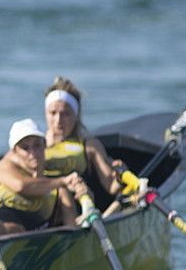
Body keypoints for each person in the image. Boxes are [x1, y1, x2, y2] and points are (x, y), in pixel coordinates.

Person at [42, 77, 126, 212]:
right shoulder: (34, 145)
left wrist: (119, 177)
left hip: (82, 211)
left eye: (65, 114)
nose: (58, 120)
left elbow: (111, 186)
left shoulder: (90, 146)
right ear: (46, 113)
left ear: (76, 116)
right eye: (53, 113)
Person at [0, 118, 82, 234]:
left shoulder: (58, 190)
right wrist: (63, 181)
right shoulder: (3, 167)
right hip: (4, 236)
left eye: (37, 145)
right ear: (15, 152)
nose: (33, 153)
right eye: (25, 148)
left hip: (40, 243)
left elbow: (73, 229)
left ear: (44, 146)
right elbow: (21, 186)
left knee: (63, 193)